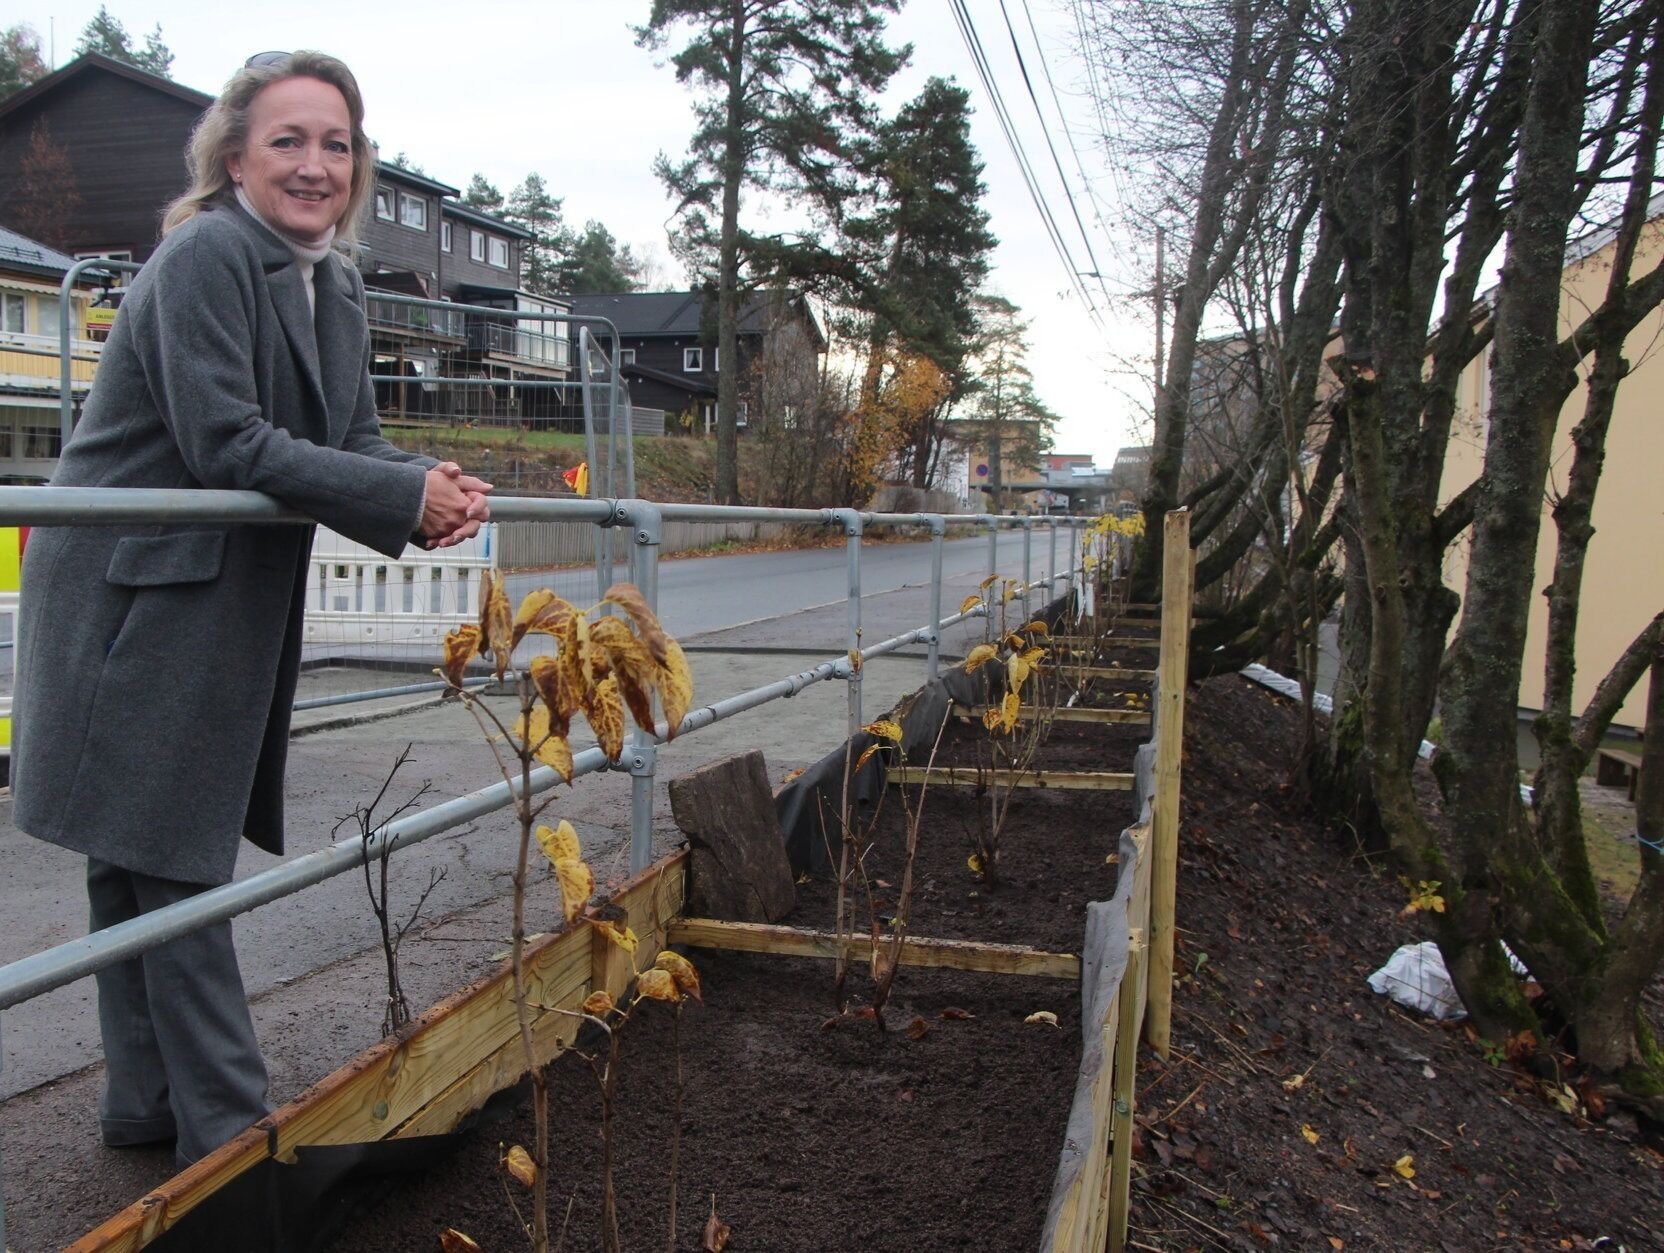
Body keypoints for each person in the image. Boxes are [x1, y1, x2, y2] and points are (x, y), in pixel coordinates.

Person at [10, 50, 492, 1166]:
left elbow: (352, 443)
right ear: (234, 156)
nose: (315, 165)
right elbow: (224, 438)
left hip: (186, 581)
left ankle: (144, 1106)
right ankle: (233, 1143)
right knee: (167, 851)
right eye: (288, 141)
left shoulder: (334, 279)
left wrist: (427, 484)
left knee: (132, 851)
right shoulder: (207, 256)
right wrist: (394, 494)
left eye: (336, 143)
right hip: (130, 586)